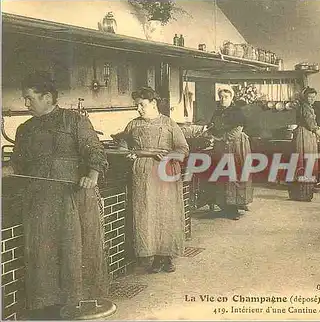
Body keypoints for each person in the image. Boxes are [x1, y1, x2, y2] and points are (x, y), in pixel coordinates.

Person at [3, 71, 108, 319]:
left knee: (72, 250)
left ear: (47, 97)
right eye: (25, 99)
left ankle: (75, 302)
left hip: (70, 199)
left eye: (30, 98)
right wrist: (5, 170)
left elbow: (95, 151)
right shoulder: (24, 129)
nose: (26, 104)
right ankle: (46, 306)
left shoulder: (73, 121)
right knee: (41, 251)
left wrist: (91, 175)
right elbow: (18, 164)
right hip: (38, 201)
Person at [117, 87, 189, 273]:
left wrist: (168, 156)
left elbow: (183, 150)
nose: (138, 109)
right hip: (142, 175)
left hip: (165, 172)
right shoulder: (133, 125)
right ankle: (154, 256)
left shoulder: (169, 124)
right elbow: (123, 146)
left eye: (142, 104)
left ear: (154, 103)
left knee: (166, 213)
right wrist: (129, 155)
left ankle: (167, 256)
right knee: (147, 214)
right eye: (137, 106)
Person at [205, 85, 253, 220]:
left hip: (235, 145)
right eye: (221, 97)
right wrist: (209, 132)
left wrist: (221, 138)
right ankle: (225, 207)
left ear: (231, 97)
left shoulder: (236, 111)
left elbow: (237, 129)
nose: (223, 99)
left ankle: (235, 208)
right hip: (221, 146)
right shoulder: (217, 111)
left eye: (226, 97)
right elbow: (213, 126)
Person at [289, 87, 320, 201]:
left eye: (314, 97)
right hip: (305, 135)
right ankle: (304, 194)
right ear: (305, 97)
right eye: (310, 97)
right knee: (306, 162)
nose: (312, 99)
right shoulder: (305, 108)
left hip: (305, 134)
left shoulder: (306, 107)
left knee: (303, 162)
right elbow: (311, 125)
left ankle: (300, 193)